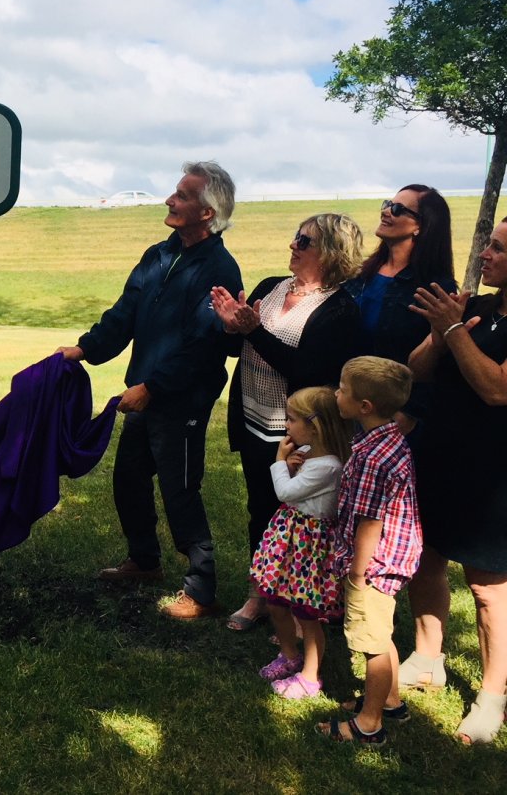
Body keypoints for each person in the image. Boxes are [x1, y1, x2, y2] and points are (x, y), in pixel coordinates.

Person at [59, 160, 242, 620]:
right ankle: (143, 562)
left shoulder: (219, 269)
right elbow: (125, 312)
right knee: (129, 481)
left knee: (181, 489)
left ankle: (202, 591)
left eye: (182, 195)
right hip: (143, 392)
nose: (169, 200)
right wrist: (85, 349)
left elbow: (203, 347)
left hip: (181, 400)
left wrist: (152, 387)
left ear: (207, 212)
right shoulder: (158, 255)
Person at [211, 214, 363, 631]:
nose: (293, 244)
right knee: (259, 508)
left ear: (330, 253)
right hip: (253, 418)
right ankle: (258, 595)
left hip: (299, 433)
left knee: (300, 518)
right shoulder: (270, 287)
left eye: (304, 240)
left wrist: (254, 331)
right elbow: (237, 346)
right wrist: (231, 328)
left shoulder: (340, 309)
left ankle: (302, 605)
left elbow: (306, 371)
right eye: (296, 236)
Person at [404, 216, 507, 744]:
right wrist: (441, 333)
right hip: (441, 456)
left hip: (494, 474)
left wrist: (451, 330)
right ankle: (427, 657)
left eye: (498, 249)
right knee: (427, 559)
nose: (485, 255)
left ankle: (492, 695)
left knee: (487, 589)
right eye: (489, 245)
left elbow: (496, 388)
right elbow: (418, 369)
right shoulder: (479, 309)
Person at [318, 357, 421, 747]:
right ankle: (391, 700)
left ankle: (369, 723)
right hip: (393, 558)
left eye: (342, 389)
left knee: (370, 644)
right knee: (383, 632)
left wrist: (358, 573)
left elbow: (369, 522)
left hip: (374, 565)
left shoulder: (372, 458)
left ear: (365, 407)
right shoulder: (386, 439)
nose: (336, 393)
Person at [250, 386, 348, 699]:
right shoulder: (308, 455)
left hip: (309, 547)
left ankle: (310, 676)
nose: (287, 426)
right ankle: (289, 654)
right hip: (289, 540)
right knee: (276, 600)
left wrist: (280, 462)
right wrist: (293, 465)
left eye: (292, 420)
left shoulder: (329, 466)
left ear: (314, 426)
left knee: (307, 613)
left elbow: (286, 493)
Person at [343, 185, 455, 433]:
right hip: (348, 403)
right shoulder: (362, 274)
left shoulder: (435, 288)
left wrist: (410, 412)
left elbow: (438, 363)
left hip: (391, 415)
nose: (386, 212)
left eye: (397, 209)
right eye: (387, 204)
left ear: (420, 227)